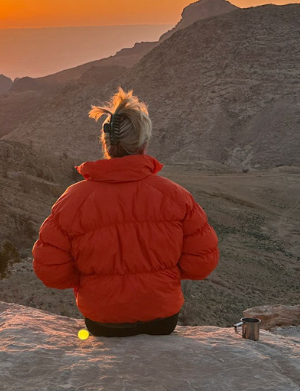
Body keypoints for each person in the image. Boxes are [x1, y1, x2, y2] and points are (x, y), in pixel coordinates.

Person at [32, 88, 219, 337]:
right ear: (144, 144)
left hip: (102, 321)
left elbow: (50, 271)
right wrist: (162, 276)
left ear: (106, 144)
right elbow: (201, 264)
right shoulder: (176, 196)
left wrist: (90, 280)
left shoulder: (73, 200)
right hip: (162, 319)